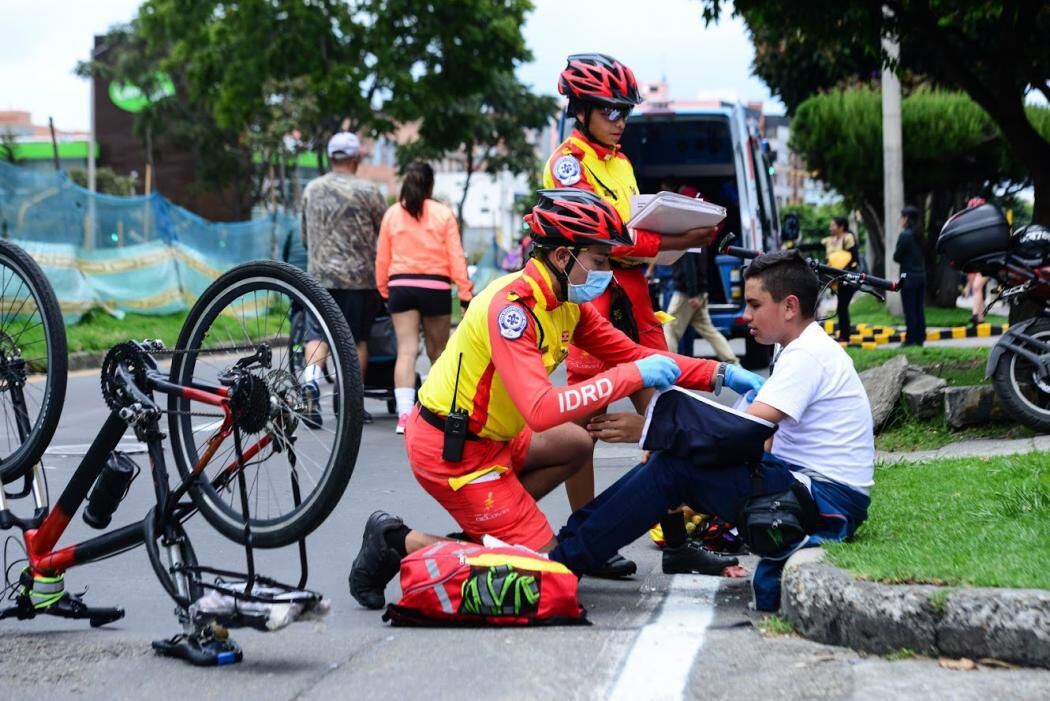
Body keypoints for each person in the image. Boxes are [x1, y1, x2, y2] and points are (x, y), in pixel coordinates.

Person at [348, 189, 761, 610]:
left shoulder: (565, 304)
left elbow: (633, 353)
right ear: (564, 257)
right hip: (454, 453)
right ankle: (396, 540)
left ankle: (494, 531)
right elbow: (541, 409)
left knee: (577, 444)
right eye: (599, 262)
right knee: (545, 574)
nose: (607, 273)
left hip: (497, 440)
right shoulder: (512, 310)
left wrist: (720, 373)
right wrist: (627, 378)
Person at [547, 249, 874, 611]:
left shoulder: (806, 356)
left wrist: (651, 427)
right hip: (807, 489)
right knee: (671, 459)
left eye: (754, 304)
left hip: (826, 504)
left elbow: (740, 433)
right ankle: (570, 545)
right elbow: (744, 436)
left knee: (672, 469)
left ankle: (562, 564)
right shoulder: (798, 349)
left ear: (789, 306)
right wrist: (669, 436)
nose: (745, 315)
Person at [543, 53, 718, 575]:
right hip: (593, 305)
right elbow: (601, 234)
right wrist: (675, 237)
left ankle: (676, 539)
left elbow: (630, 227)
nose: (621, 119)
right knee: (583, 430)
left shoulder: (619, 161)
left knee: (664, 413)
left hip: (637, 303)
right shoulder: (568, 163)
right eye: (611, 109)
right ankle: (586, 542)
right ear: (581, 108)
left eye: (626, 111)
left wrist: (671, 237)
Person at [375, 162, 474, 435]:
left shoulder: (392, 214)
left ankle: (405, 415)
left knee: (406, 351)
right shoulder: (442, 214)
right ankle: (440, 412)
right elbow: (456, 256)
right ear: (430, 185)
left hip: (401, 286)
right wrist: (465, 293)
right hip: (435, 287)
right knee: (439, 353)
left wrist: (384, 290)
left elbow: (382, 257)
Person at [300, 131, 387, 426]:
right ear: (356, 157)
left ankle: (310, 384)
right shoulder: (370, 191)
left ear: (330, 156)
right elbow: (383, 233)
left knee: (316, 334)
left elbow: (304, 236)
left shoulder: (311, 189)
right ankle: (348, 402)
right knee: (355, 340)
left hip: (318, 278)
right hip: (359, 280)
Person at [664, 247, 738, 363]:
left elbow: (689, 266)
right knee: (709, 331)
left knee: (670, 329)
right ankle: (733, 362)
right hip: (700, 291)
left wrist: (692, 294)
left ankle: (668, 364)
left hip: (686, 294)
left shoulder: (687, 240)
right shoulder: (699, 240)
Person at [822, 216, 860, 342]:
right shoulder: (831, 241)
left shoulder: (848, 238)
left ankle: (845, 336)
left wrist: (843, 270)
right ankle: (844, 335)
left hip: (847, 278)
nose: (830, 228)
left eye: (833, 225)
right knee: (841, 307)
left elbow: (854, 258)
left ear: (841, 227)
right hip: (838, 279)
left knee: (842, 307)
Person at [894, 205, 927, 347]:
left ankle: (910, 339)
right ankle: (920, 338)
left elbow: (896, 256)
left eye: (902, 217)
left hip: (908, 277)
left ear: (906, 218)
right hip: (921, 275)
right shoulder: (920, 234)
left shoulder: (905, 235)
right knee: (919, 308)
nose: (900, 220)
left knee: (910, 309)